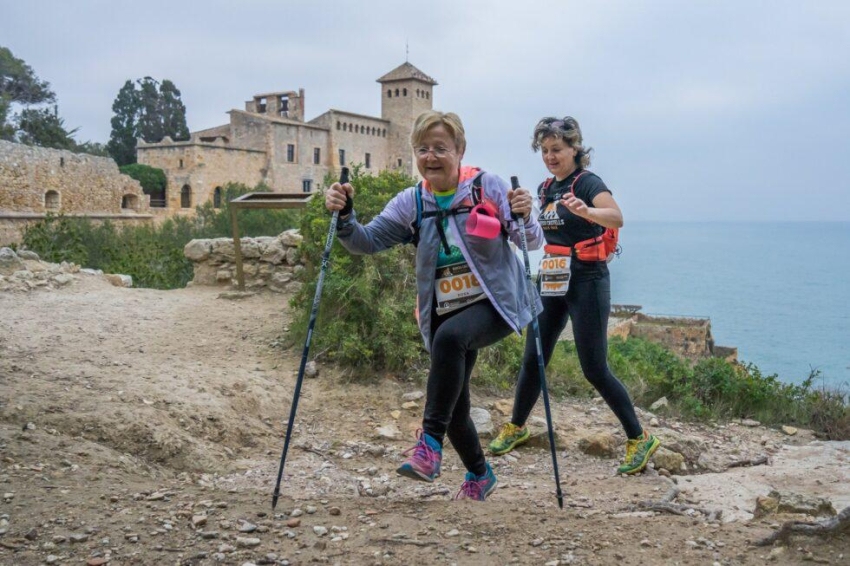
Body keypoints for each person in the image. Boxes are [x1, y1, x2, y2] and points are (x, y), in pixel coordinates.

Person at [325, 110, 543, 500]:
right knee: (455, 406)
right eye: (422, 149)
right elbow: (365, 242)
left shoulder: (486, 187)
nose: (431, 157)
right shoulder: (412, 202)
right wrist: (344, 216)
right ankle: (480, 475)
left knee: (449, 340)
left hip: (495, 303)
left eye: (441, 148)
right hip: (445, 309)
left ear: (459, 150)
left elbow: (531, 240)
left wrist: (525, 214)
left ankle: (428, 447)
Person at [488, 116, 660, 475]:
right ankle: (517, 426)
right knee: (534, 355)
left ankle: (639, 437)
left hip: (587, 280)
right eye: (545, 150)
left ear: (575, 149)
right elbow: (539, 231)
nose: (550, 156)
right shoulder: (546, 187)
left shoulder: (587, 183)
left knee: (594, 368)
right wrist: (518, 216)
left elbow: (616, 217)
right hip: (551, 279)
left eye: (557, 149)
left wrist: (587, 210)